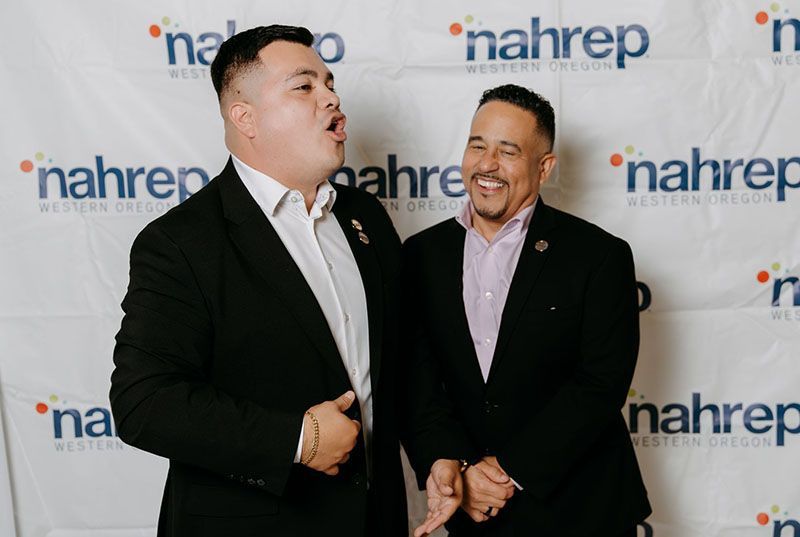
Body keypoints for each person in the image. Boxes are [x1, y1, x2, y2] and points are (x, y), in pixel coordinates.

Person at [110, 25, 407, 537]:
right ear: (244, 117)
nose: (331, 97)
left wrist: (442, 456)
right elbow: (144, 403)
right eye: (304, 86)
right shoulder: (180, 242)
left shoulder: (366, 217)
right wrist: (298, 439)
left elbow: (404, 361)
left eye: (329, 83)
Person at [402, 84, 651, 537]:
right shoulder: (421, 255)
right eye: (477, 146)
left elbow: (600, 383)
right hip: (473, 511)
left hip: (583, 511)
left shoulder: (598, 255)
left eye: (508, 151)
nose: (487, 165)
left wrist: (504, 472)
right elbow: (417, 381)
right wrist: (452, 465)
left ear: (544, 167)